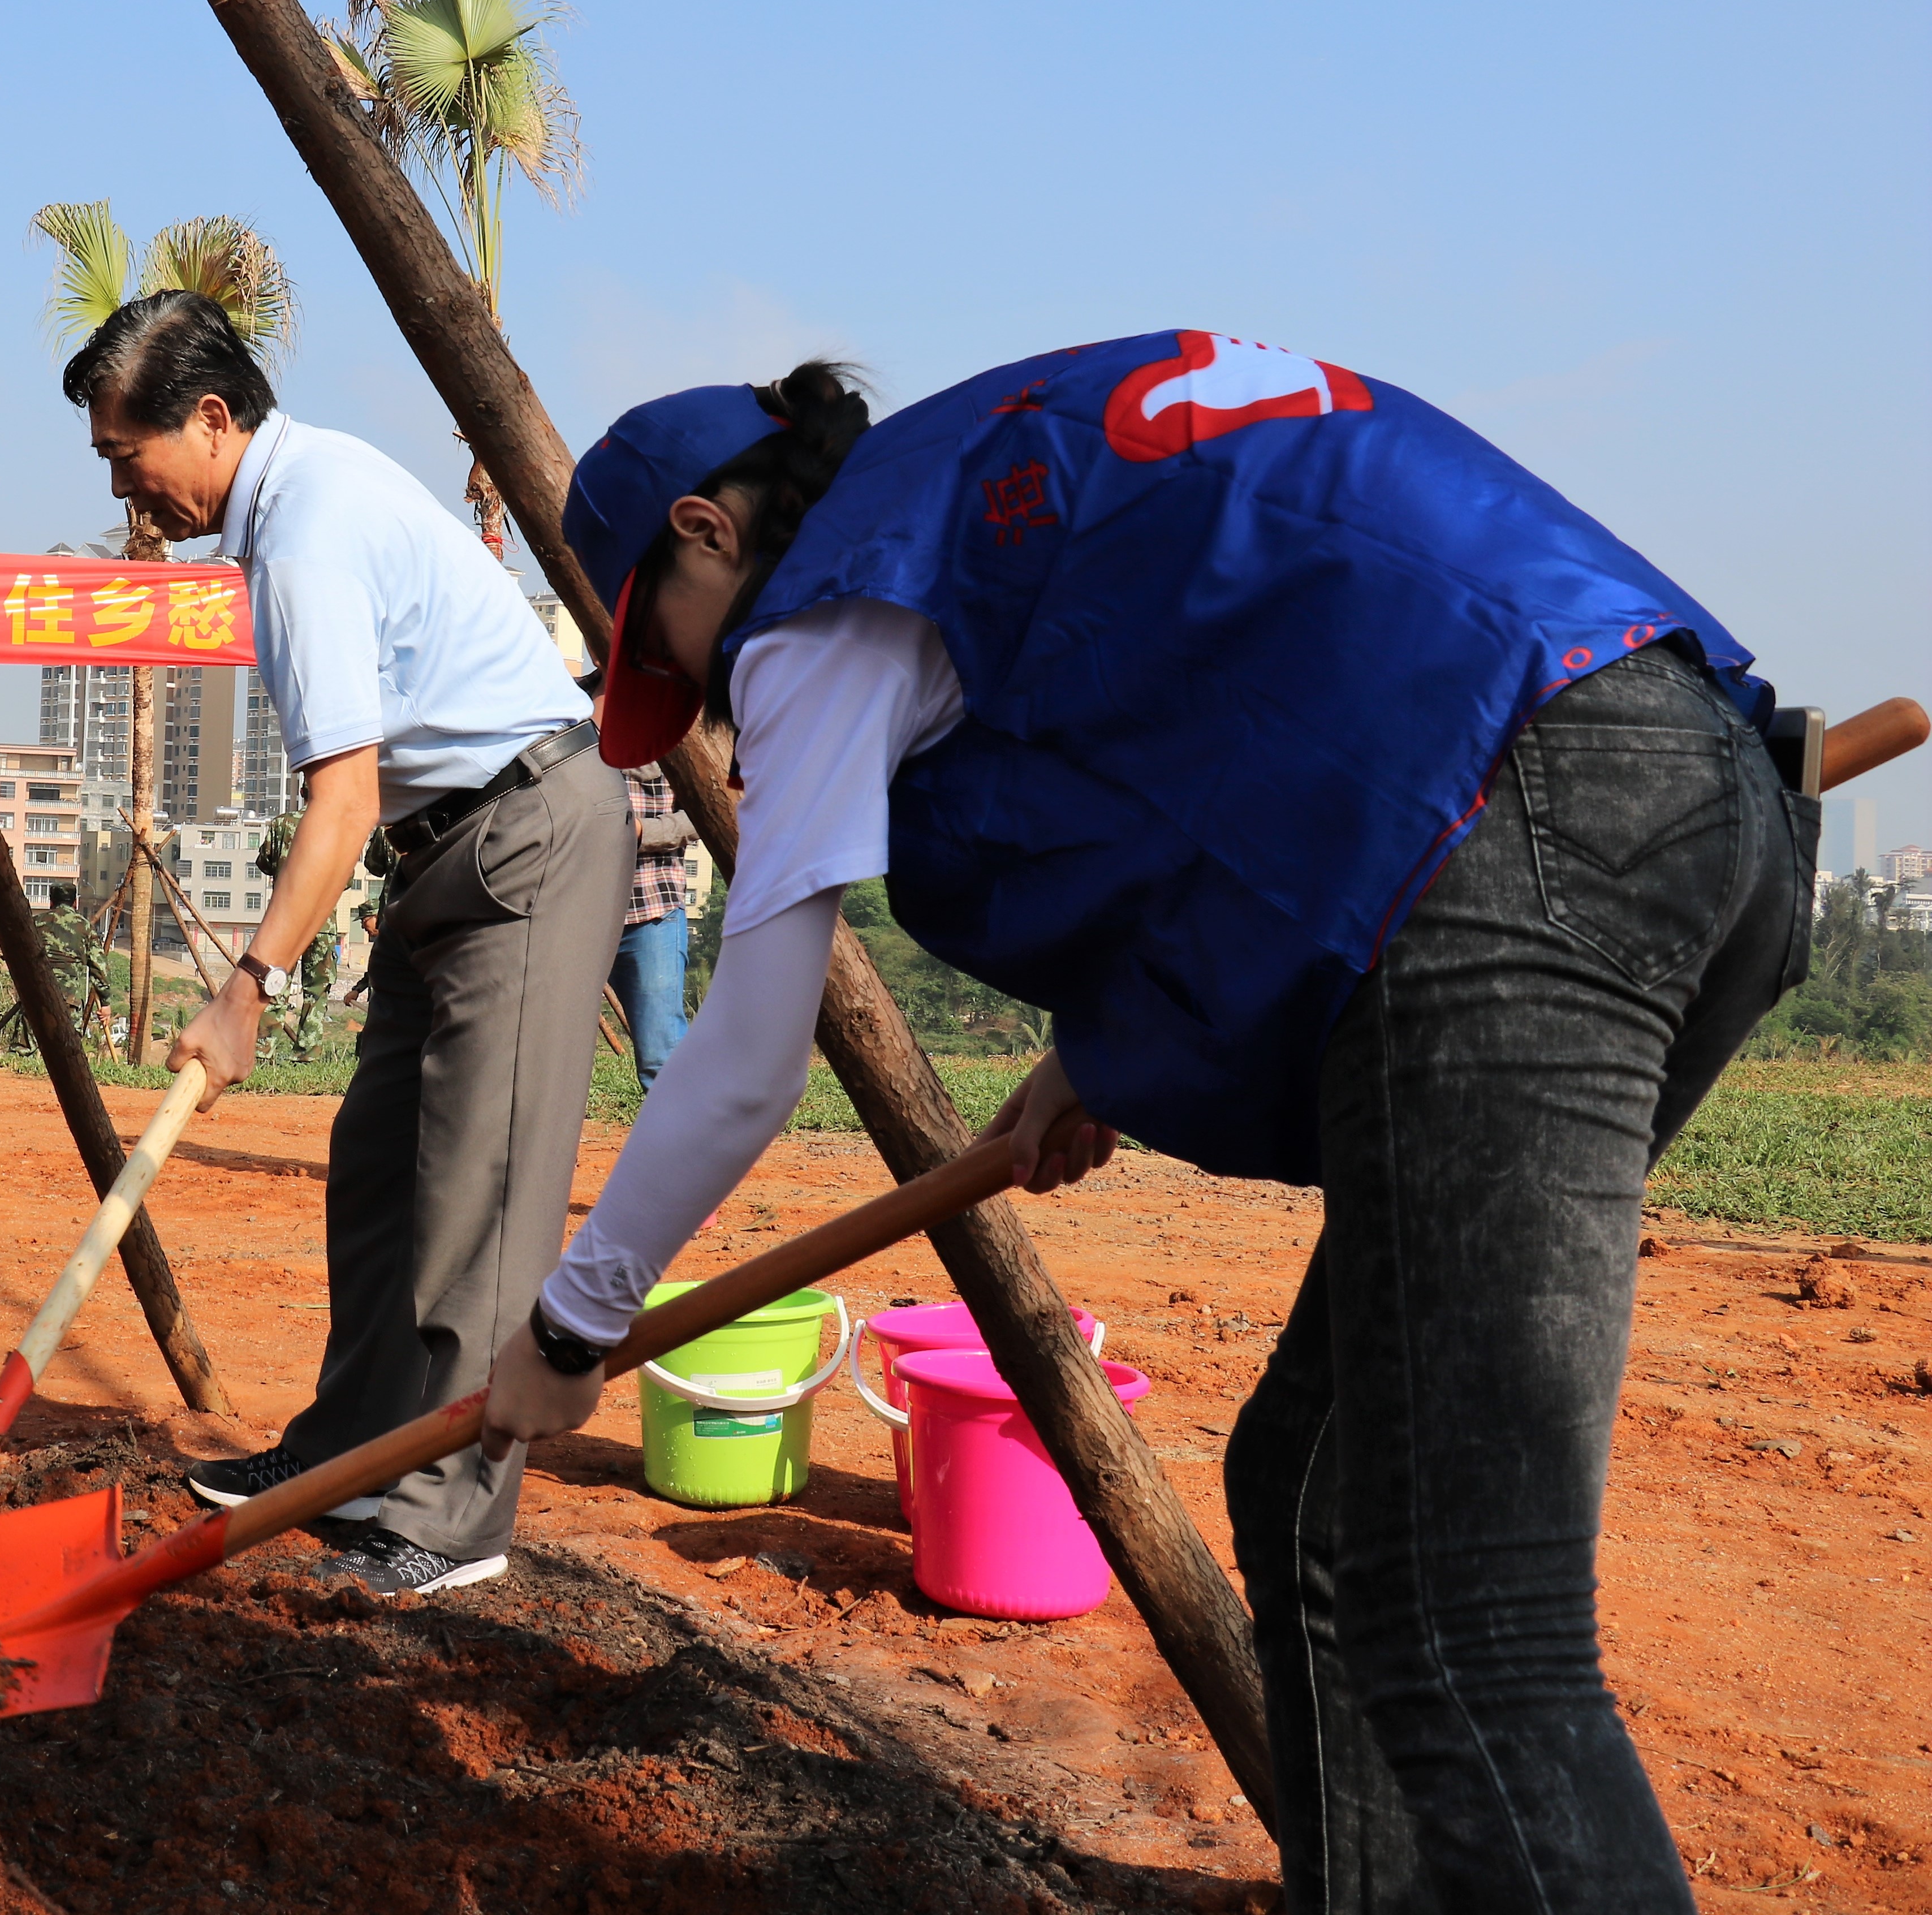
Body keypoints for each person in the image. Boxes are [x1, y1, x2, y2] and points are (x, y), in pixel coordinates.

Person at [477, 340, 1813, 1912]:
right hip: (1689, 780)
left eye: (669, 648)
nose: (697, 699)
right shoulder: (985, 479)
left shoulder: (821, 602)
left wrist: (574, 1324)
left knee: (1466, 1619)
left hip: (1513, 828)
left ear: (708, 531)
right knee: (1308, 1494)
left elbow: (748, 1050)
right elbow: (1250, 734)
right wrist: (1101, 1058)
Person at [74, 290, 631, 1598]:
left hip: (528, 838)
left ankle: (448, 1522)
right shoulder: (288, 515)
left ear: (210, 421)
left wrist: (248, 987)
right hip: (450, 853)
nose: (126, 489)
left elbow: (342, 796)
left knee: (474, 1198)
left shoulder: (310, 531)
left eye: (125, 456)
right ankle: (345, 1453)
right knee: (379, 1160)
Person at [609, 765, 697, 1089]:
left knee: (662, 1054)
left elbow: (708, 813)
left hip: (651, 905)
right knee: (548, 1052)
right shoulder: (564, 723)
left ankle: (688, 1138)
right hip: (573, 910)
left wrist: (644, 832)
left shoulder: (678, 735)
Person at [250, 810, 342, 1059]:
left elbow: (265, 863)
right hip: (321, 921)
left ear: (302, 791)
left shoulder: (281, 823)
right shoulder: (338, 824)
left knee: (275, 985)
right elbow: (345, 879)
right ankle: (307, 1053)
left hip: (285, 920)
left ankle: (263, 1049)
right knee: (317, 991)